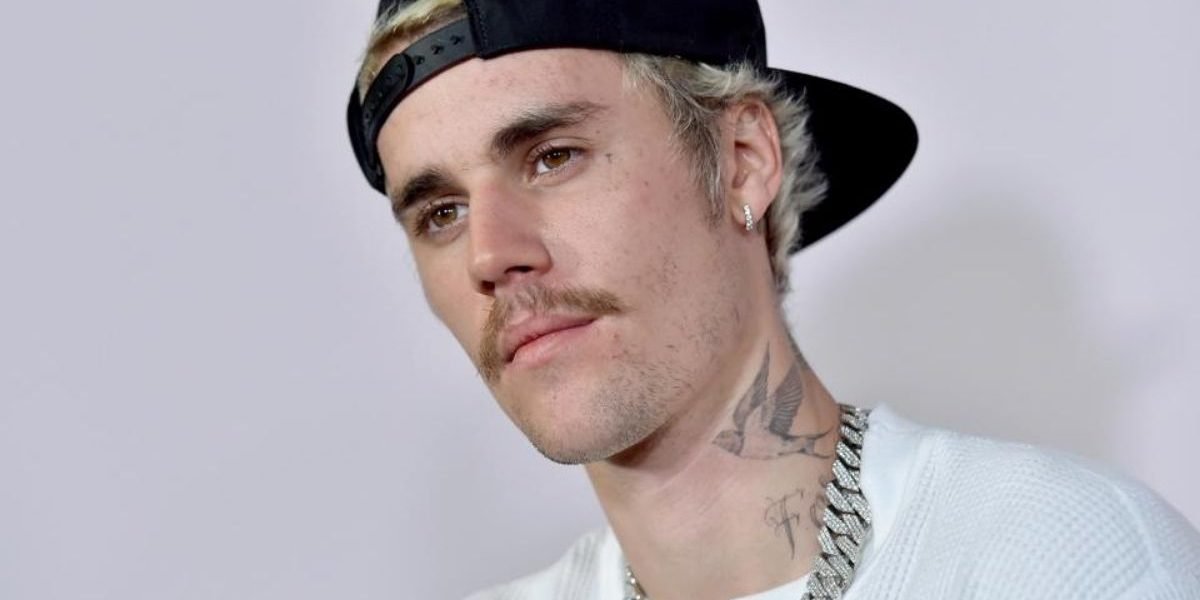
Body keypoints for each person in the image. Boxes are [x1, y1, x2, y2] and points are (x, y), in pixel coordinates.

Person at [343, 1, 1200, 598]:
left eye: (552, 157)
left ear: (743, 161)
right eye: (441, 212)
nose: (491, 254)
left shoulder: (1062, 564)